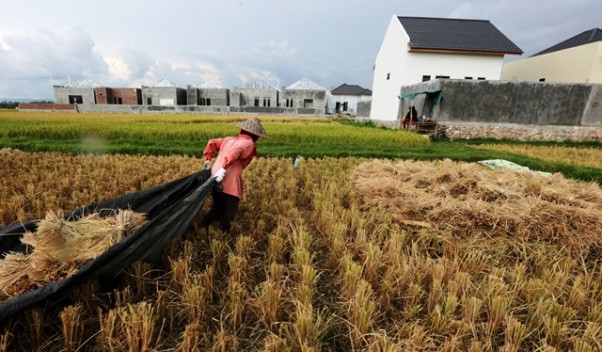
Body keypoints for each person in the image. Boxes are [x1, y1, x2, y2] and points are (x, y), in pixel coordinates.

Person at [201, 117, 268, 233]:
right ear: (255, 136)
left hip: (215, 177)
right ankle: (223, 234)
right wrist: (224, 169)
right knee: (230, 213)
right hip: (229, 180)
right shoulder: (248, 143)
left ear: (242, 131)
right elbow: (235, 152)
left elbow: (212, 142)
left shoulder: (228, 139)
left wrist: (208, 159)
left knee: (217, 207)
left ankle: (202, 227)